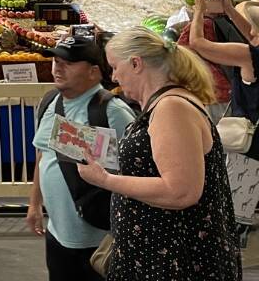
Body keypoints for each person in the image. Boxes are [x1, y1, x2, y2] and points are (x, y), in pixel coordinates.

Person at [76, 27, 241, 281]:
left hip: (173, 260)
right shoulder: (164, 104)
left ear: (135, 63)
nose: (114, 76)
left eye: (115, 67)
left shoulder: (171, 108)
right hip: (159, 256)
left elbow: (181, 191)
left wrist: (106, 181)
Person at [27, 33, 135, 281]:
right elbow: (44, 154)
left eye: (69, 62)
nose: (58, 67)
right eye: (55, 60)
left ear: (94, 72)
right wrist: (35, 203)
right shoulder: (51, 101)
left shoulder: (113, 112)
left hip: (98, 240)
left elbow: (138, 170)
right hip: (57, 234)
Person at [187, 0, 259, 241]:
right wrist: (228, 9)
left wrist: (198, 10)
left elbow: (197, 43)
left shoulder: (249, 56)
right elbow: (252, 32)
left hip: (248, 150)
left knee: (235, 215)